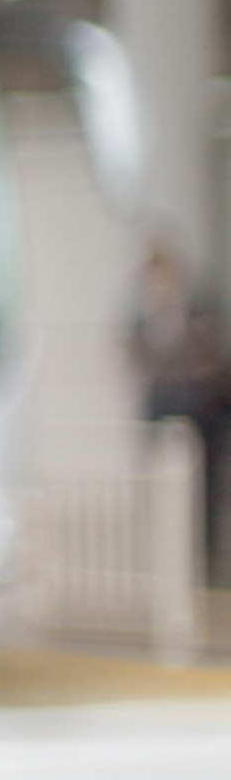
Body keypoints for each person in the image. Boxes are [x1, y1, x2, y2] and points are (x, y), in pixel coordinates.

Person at [125, 232, 228, 576]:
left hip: (200, 419)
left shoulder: (199, 314)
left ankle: (206, 564)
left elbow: (211, 364)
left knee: (203, 499)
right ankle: (161, 563)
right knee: (157, 491)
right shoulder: (140, 324)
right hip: (159, 418)